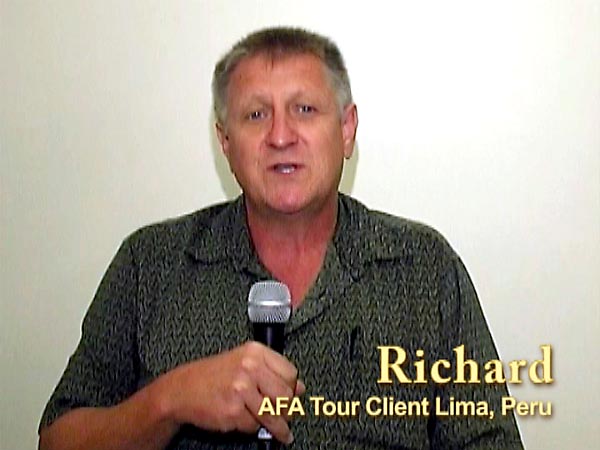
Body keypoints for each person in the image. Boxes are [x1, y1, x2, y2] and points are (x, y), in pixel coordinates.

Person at [38, 27, 524, 449]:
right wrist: (170, 400)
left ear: (347, 129)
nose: (280, 136)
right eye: (255, 115)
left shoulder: (424, 268)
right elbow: (57, 439)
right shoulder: (150, 264)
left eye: (304, 109)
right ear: (225, 142)